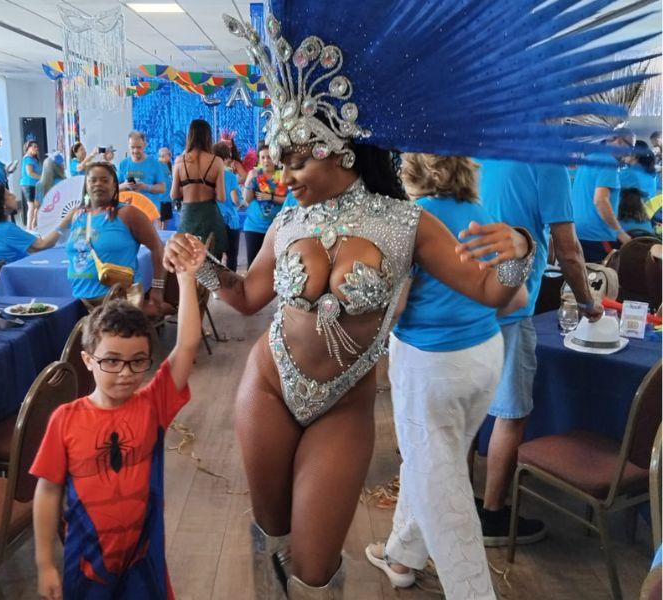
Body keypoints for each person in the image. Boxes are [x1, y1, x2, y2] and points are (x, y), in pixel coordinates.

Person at [201, 7, 635, 597]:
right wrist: (201, 268)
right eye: (282, 162)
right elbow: (248, 297)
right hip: (268, 385)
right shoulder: (287, 219)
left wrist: (520, 249)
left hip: (344, 402)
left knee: (313, 566)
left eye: (296, 160)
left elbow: (492, 291)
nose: (285, 175)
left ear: (339, 151)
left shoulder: (407, 223)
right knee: (272, 529)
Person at [365, 154, 527, 598]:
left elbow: (395, 305)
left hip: (431, 362)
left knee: (441, 483)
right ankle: (401, 554)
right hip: (484, 355)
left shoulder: (412, 220)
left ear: (411, 168)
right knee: (434, 464)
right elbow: (516, 300)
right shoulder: (482, 216)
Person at [31, 245, 203, 598]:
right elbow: (47, 492)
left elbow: (186, 346)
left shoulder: (153, 405)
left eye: (138, 361)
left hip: (144, 559)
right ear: (87, 360)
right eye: (111, 361)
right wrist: (44, 562)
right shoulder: (65, 420)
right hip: (85, 561)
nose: (125, 373)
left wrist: (186, 279)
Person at [475, 158, 602, 550]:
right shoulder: (546, 164)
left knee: (466, 407)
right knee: (511, 413)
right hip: (511, 304)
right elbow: (569, 249)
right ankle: (493, 515)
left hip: (466, 298)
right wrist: (588, 302)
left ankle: (457, 503)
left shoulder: (483, 153)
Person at [66, 162, 165, 307]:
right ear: (86, 186)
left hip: (120, 302)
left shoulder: (127, 213)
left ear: (114, 186)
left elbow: (157, 247)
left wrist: (157, 288)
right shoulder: (78, 216)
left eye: (104, 180)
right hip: (80, 299)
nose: (98, 184)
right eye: (92, 180)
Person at [571, 135, 635, 262]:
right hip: (598, 236)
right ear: (619, 141)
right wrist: (621, 234)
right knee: (603, 274)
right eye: (630, 147)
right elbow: (600, 201)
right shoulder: (609, 163)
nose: (630, 152)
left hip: (577, 232)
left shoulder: (589, 159)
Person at [170, 119, 227, 256]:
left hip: (188, 216)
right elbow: (221, 197)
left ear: (190, 136)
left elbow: (174, 195)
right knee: (212, 261)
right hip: (210, 217)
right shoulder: (216, 161)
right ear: (208, 136)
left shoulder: (180, 161)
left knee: (188, 260)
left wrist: (187, 188)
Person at [0, 183, 72, 263]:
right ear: (2, 204)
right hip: (20, 270)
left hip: (4, 271)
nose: (14, 196)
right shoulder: (6, 229)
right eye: (9, 195)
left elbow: (33, 248)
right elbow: (42, 245)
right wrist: (66, 220)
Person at [242, 143, 286, 267]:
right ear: (259, 160)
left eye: (269, 157)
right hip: (254, 227)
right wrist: (249, 180)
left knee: (274, 266)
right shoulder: (256, 175)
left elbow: (289, 200)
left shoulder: (283, 175)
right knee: (253, 265)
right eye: (263, 157)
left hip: (276, 228)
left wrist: (270, 197)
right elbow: (247, 200)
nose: (266, 160)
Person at [213, 142, 242, 271]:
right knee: (232, 256)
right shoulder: (231, 176)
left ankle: (215, 281)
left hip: (215, 219)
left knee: (215, 257)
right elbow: (235, 199)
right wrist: (241, 202)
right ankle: (231, 280)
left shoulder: (210, 175)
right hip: (231, 220)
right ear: (225, 158)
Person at [117, 132, 166, 204]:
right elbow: (114, 188)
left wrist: (145, 187)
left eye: (139, 147)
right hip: (128, 208)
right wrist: (125, 185)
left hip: (149, 208)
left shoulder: (154, 163)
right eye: (132, 147)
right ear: (128, 146)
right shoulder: (123, 164)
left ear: (145, 145)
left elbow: (162, 188)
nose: (135, 151)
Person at [20, 141, 42, 228]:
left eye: (37, 147)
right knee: (32, 206)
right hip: (28, 185)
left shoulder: (33, 159)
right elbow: (30, 173)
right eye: (34, 147)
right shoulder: (28, 158)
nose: (36, 148)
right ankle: (29, 228)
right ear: (28, 148)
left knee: (37, 205)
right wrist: (42, 177)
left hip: (34, 185)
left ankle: (33, 225)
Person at [157, 146, 174, 229]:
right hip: (159, 199)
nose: (171, 156)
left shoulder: (168, 165)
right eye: (169, 154)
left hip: (167, 198)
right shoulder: (156, 166)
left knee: (166, 220)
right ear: (163, 156)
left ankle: (164, 232)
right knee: (159, 220)